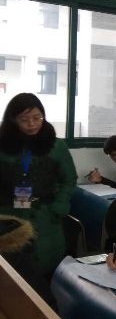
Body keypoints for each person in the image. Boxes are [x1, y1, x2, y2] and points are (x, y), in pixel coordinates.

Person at [0, 93, 77, 275]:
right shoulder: (2, 145)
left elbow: (69, 178)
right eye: (24, 119)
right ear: (13, 120)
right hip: (10, 215)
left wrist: (60, 204)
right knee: (15, 270)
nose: (32, 124)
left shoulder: (56, 146)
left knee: (48, 263)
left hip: (47, 214)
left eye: (37, 118)